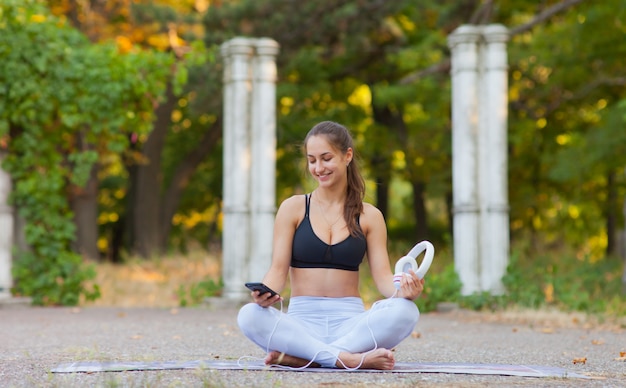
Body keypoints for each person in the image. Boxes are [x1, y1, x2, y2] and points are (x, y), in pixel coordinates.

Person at [237, 121, 424, 370]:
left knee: (407, 312)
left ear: (347, 156)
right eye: (312, 160)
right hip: (302, 323)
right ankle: (348, 360)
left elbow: (383, 279)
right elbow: (277, 272)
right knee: (248, 315)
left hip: (351, 324)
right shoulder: (293, 208)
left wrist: (405, 292)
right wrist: (265, 293)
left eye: (326, 158)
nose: (318, 168)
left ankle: (306, 358)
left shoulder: (370, 215)